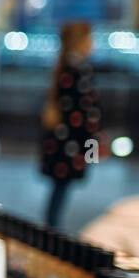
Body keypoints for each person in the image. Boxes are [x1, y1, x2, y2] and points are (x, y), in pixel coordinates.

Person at [39, 22, 100, 229]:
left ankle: (52, 229)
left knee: (60, 189)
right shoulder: (75, 72)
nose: (93, 44)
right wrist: (89, 145)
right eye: (90, 39)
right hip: (68, 146)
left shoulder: (70, 70)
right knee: (60, 189)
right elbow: (81, 112)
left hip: (67, 145)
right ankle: (52, 231)